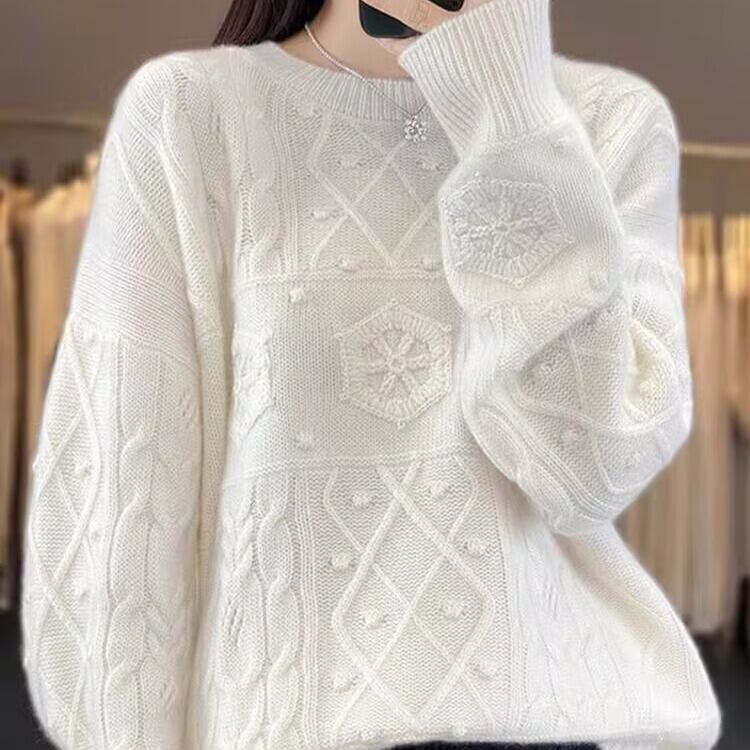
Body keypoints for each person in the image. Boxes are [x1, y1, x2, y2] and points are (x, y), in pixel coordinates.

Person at [19, 0, 722, 749]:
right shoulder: (191, 112)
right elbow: (122, 512)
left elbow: (592, 473)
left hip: (552, 727)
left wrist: (511, 108)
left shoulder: (609, 122)